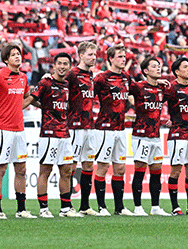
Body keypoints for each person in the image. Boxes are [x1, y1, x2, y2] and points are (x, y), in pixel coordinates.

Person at [0, 42, 33, 219]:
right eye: (13, 54)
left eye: (19, 54)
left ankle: (21, 210)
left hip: (20, 130)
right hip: (3, 130)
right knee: (1, 169)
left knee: (21, 169)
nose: (17, 57)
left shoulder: (24, 78)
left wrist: (37, 99)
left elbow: (25, 100)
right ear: (6, 59)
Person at [27, 52, 80, 218]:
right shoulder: (46, 82)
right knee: (46, 171)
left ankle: (65, 208)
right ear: (54, 66)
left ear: (69, 67)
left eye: (66, 64)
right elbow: (32, 98)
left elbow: (68, 106)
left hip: (64, 134)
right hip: (49, 134)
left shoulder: (68, 85)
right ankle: (43, 209)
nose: (62, 67)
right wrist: (43, 106)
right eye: (60, 63)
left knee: (66, 171)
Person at [93, 45, 132, 216]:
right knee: (102, 167)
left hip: (121, 129)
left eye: (124, 57)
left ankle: (119, 207)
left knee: (120, 168)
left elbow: (133, 94)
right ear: (110, 59)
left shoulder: (126, 77)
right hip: (105, 129)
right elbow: (87, 96)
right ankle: (101, 207)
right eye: (120, 56)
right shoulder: (101, 78)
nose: (123, 59)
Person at [129, 56, 169, 216]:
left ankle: (155, 207)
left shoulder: (162, 89)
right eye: (154, 66)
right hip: (141, 136)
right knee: (140, 171)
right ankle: (138, 207)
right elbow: (122, 89)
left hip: (156, 136)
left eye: (159, 66)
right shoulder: (138, 87)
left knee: (156, 171)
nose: (158, 68)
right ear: (145, 71)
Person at [164, 56, 188, 215]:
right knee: (176, 171)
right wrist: (165, 120)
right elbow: (157, 104)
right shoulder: (171, 87)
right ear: (177, 71)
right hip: (177, 135)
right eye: (185, 67)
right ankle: (175, 207)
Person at [67, 41, 99, 215]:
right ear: (81, 55)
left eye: (95, 54)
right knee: (71, 166)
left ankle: (85, 206)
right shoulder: (72, 74)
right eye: (90, 54)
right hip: (75, 126)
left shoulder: (92, 75)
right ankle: (67, 206)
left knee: (88, 165)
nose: (93, 58)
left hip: (90, 126)